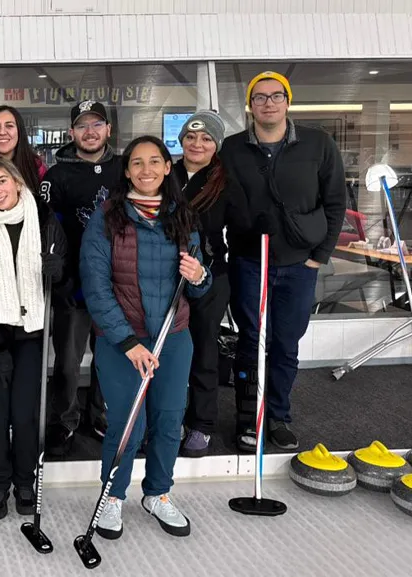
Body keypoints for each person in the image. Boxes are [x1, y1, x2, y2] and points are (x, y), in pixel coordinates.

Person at [79, 135, 210, 539]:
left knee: (170, 420)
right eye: (137, 163)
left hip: (174, 336)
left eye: (155, 162)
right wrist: (128, 342)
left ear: (168, 168)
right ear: (127, 170)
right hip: (123, 341)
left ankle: (158, 493)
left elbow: (199, 284)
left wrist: (200, 276)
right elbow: (96, 288)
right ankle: (112, 498)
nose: (146, 170)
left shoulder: (183, 218)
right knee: (127, 425)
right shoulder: (107, 218)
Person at [221, 71, 345, 451]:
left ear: (288, 102)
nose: (268, 103)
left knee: (286, 343)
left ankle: (277, 415)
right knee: (253, 340)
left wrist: (319, 257)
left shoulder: (318, 144)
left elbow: (336, 202)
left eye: (276, 96)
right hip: (248, 262)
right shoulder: (232, 148)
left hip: (298, 265)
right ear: (251, 105)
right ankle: (248, 417)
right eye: (260, 97)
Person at [0, 157, 67, 520]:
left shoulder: (45, 218)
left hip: (32, 333)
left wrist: (58, 271)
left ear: (18, 182)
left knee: (25, 414)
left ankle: (25, 481)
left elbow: (62, 272)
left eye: (1, 181)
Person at [39, 100, 125, 454]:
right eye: (82, 126)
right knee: (68, 363)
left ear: (108, 130)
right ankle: (65, 419)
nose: (90, 132)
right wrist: (59, 277)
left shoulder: (124, 168)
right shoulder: (56, 175)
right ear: (71, 132)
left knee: (110, 356)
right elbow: (47, 229)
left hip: (116, 284)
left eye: (97, 124)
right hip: (72, 287)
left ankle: (101, 416)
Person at [171, 111, 250, 458]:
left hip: (210, 277)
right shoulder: (166, 175)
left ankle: (201, 424)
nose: (197, 144)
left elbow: (243, 230)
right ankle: (170, 417)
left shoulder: (226, 182)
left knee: (202, 348)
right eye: (191, 137)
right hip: (166, 277)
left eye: (205, 139)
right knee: (171, 351)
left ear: (216, 145)